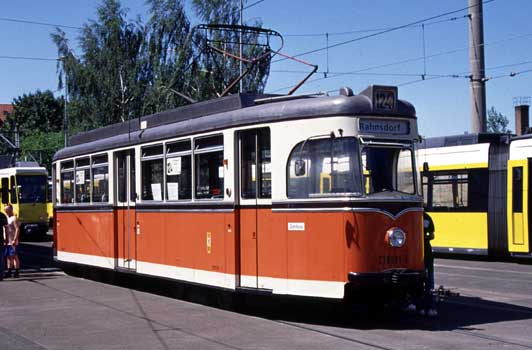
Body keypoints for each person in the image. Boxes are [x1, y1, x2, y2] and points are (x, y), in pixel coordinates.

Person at [420, 211, 437, 317]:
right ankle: (430, 307)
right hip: (427, 250)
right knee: (430, 281)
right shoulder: (427, 217)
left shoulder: (409, 216)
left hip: (415, 252)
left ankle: (418, 305)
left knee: (417, 280)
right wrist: (426, 238)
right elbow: (432, 235)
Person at [4, 205, 20, 278]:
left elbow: (17, 229)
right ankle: (9, 271)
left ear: (11, 210)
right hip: (7, 240)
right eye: (5, 210)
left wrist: (15, 239)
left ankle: (16, 271)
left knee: (14, 256)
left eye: (7, 209)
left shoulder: (14, 218)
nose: (6, 211)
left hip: (13, 241)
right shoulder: (6, 218)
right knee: (8, 257)